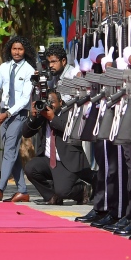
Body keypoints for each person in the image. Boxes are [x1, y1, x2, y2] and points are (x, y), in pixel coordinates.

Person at [23, 44, 92, 205]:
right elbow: (27, 132)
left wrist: (54, 113)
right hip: (50, 152)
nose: (51, 66)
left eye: (54, 62)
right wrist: (35, 113)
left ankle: (83, 188)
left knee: (64, 189)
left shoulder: (74, 74)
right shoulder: (51, 77)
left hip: (67, 140)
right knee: (32, 168)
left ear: (63, 60)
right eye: (49, 63)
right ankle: (52, 196)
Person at [0, 36, 33, 203]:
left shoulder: (29, 71)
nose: (17, 52)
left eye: (20, 49)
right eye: (14, 49)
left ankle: (0, 189)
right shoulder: (4, 68)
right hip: (3, 113)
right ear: (10, 50)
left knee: (9, 150)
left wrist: (8, 113)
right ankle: (23, 191)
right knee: (11, 152)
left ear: (25, 50)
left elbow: (25, 99)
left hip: (18, 115)